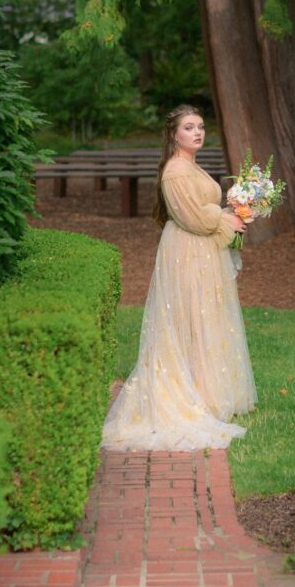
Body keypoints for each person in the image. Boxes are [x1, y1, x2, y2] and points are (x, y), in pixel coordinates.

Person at [103, 105, 257, 450]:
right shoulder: (175, 171)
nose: (198, 132)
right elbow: (195, 219)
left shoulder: (191, 166)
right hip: (187, 251)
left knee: (205, 317)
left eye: (201, 126)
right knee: (188, 316)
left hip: (201, 251)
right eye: (189, 127)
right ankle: (185, 394)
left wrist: (237, 211)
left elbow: (205, 214)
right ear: (174, 135)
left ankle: (205, 392)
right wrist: (226, 219)